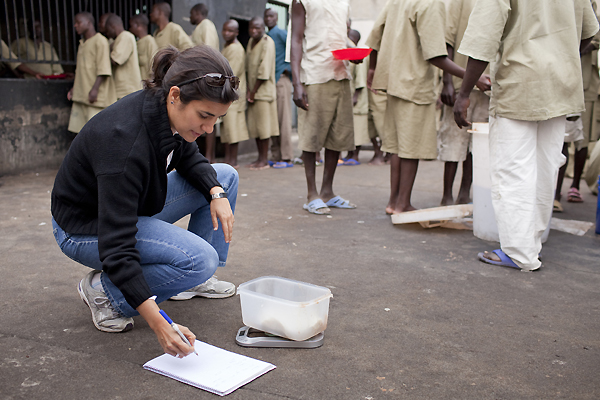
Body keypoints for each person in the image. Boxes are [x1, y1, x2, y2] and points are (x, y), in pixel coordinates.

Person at [51, 45, 240, 357]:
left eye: (217, 119)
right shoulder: (123, 142)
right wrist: (159, 322)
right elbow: (117, 246)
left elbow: (189, 157)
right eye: (205, 116)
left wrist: (217, 194)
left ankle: (193, 280)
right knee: (198, 260)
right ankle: (106, 294)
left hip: (128, 206)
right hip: (85, 227)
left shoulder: (164, 108)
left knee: (224, 176)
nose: (209, 129)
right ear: (175, 95)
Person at [454, 0, 599, 271]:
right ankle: (531, 246)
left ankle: (519, 253)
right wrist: (559, 57)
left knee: (513, 170)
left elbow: (483, 37)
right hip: (561, 83)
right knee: (546, 167)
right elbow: (589, 31)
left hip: (520, 83)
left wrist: (464, 93)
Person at [366, 0, 490, 215]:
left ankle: (393, 202)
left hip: (393, 81)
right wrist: (473, 77)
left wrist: (373, 68)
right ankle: (403, 204)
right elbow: (435, 55)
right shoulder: (430, 3)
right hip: (414, 84)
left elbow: (375, 36)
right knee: (410, 149)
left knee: (397, 148)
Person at [291, 0, 357, 215]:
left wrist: (353, 53)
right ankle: (312, 194)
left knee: (337, 136)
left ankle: (327, 191)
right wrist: (297, 83)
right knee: (312, 136)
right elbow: (296, 39)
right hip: (315, 73)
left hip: (341, 73)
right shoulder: (302, 1)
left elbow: (340, 36)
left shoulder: (343, 3)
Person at [438, 0, 490, 206]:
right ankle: (446, 195)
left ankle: (464, 193)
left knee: (477, 145)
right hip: (461, 84)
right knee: (453, 142)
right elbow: (447, 42)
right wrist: (447, 81)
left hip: (489, 87)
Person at [564, 0, 600, 203]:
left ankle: (575, 185)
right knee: (559, 135)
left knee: (581, 136)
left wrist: (575, 48)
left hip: (584, 80)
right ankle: (555, 190)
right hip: (559, 75)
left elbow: (595, 34)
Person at [67, 12, 117, 134]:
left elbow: (103, 68)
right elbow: (80, 70)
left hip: (93, 96)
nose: (75, 26)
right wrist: (74, 88)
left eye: (78, 23)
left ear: (88, 23)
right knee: (80, 132)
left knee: (96, 132)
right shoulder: (82, 44)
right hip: (82, 94)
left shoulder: (100, 41)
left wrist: (95, 89)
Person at [246, 16, 279, 170]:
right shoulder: (251, 43)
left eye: (257, 27)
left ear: (263, 28)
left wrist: (252, 92)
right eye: (252, 27)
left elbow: (263, 70)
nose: (254, 30)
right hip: (252, 92)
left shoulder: (268, 42)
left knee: (265, 128)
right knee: (257, 128)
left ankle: (264, 160)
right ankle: (260, 158)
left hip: (262, 93)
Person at [265, 8, 294, 169]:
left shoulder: (281, 33)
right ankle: (276, 155)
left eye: (271, 16)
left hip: (282, 80)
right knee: (274, 120)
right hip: (271, 82)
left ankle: (287, 157)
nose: (268, 19)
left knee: (284, 120)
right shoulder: (267, 36)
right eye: (266, 16)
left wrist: (287, 68)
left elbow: (295, 49)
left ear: (276, 18)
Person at [221, 19, 249, 168]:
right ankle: (228, 159)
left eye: (230, 31)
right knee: (227, 128)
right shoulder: (228, 47)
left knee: (233, 128)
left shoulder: (236, 49)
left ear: (236, 33)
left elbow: (232, 74)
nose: (226, 33)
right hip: (226, 93)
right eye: (225, 30)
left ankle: (233, 160)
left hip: (233, 93)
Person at [342, 29, 371, 166]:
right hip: (350, 97)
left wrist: (355, 96)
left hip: (357, 99)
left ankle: (355, 155)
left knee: (358, 130)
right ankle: (349, 154)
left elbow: (360, 79)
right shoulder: (349, 53)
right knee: (350, 129)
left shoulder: (358, 53)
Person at [105, 14, 142, 100]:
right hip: (122, 90)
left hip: (127, 89)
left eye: (107, 30)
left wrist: (105, 52)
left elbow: (115, 60)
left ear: (112, 26)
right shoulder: (118, 39)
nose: (107, 34)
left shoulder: (125, 36)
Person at [129, 14, 158, 81]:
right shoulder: (136, 42)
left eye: (131, 26)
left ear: (138, 26)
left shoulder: (149, 41)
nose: (130, 29)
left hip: (147, 84)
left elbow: (154, 63)